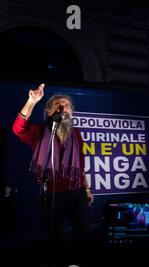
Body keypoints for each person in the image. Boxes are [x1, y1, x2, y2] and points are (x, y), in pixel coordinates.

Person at [12, 83, 93, 244]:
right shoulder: (39, 132)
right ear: (49, 112)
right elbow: (19, 129)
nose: (63, 108)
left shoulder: (76, 133)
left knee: (84, 235)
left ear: (71, 111)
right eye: (58, 105)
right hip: (52, 194)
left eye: (67, 105)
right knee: (53, 237)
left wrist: (87, 189)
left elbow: (81, 165)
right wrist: (32, 101)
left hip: (77, 192)